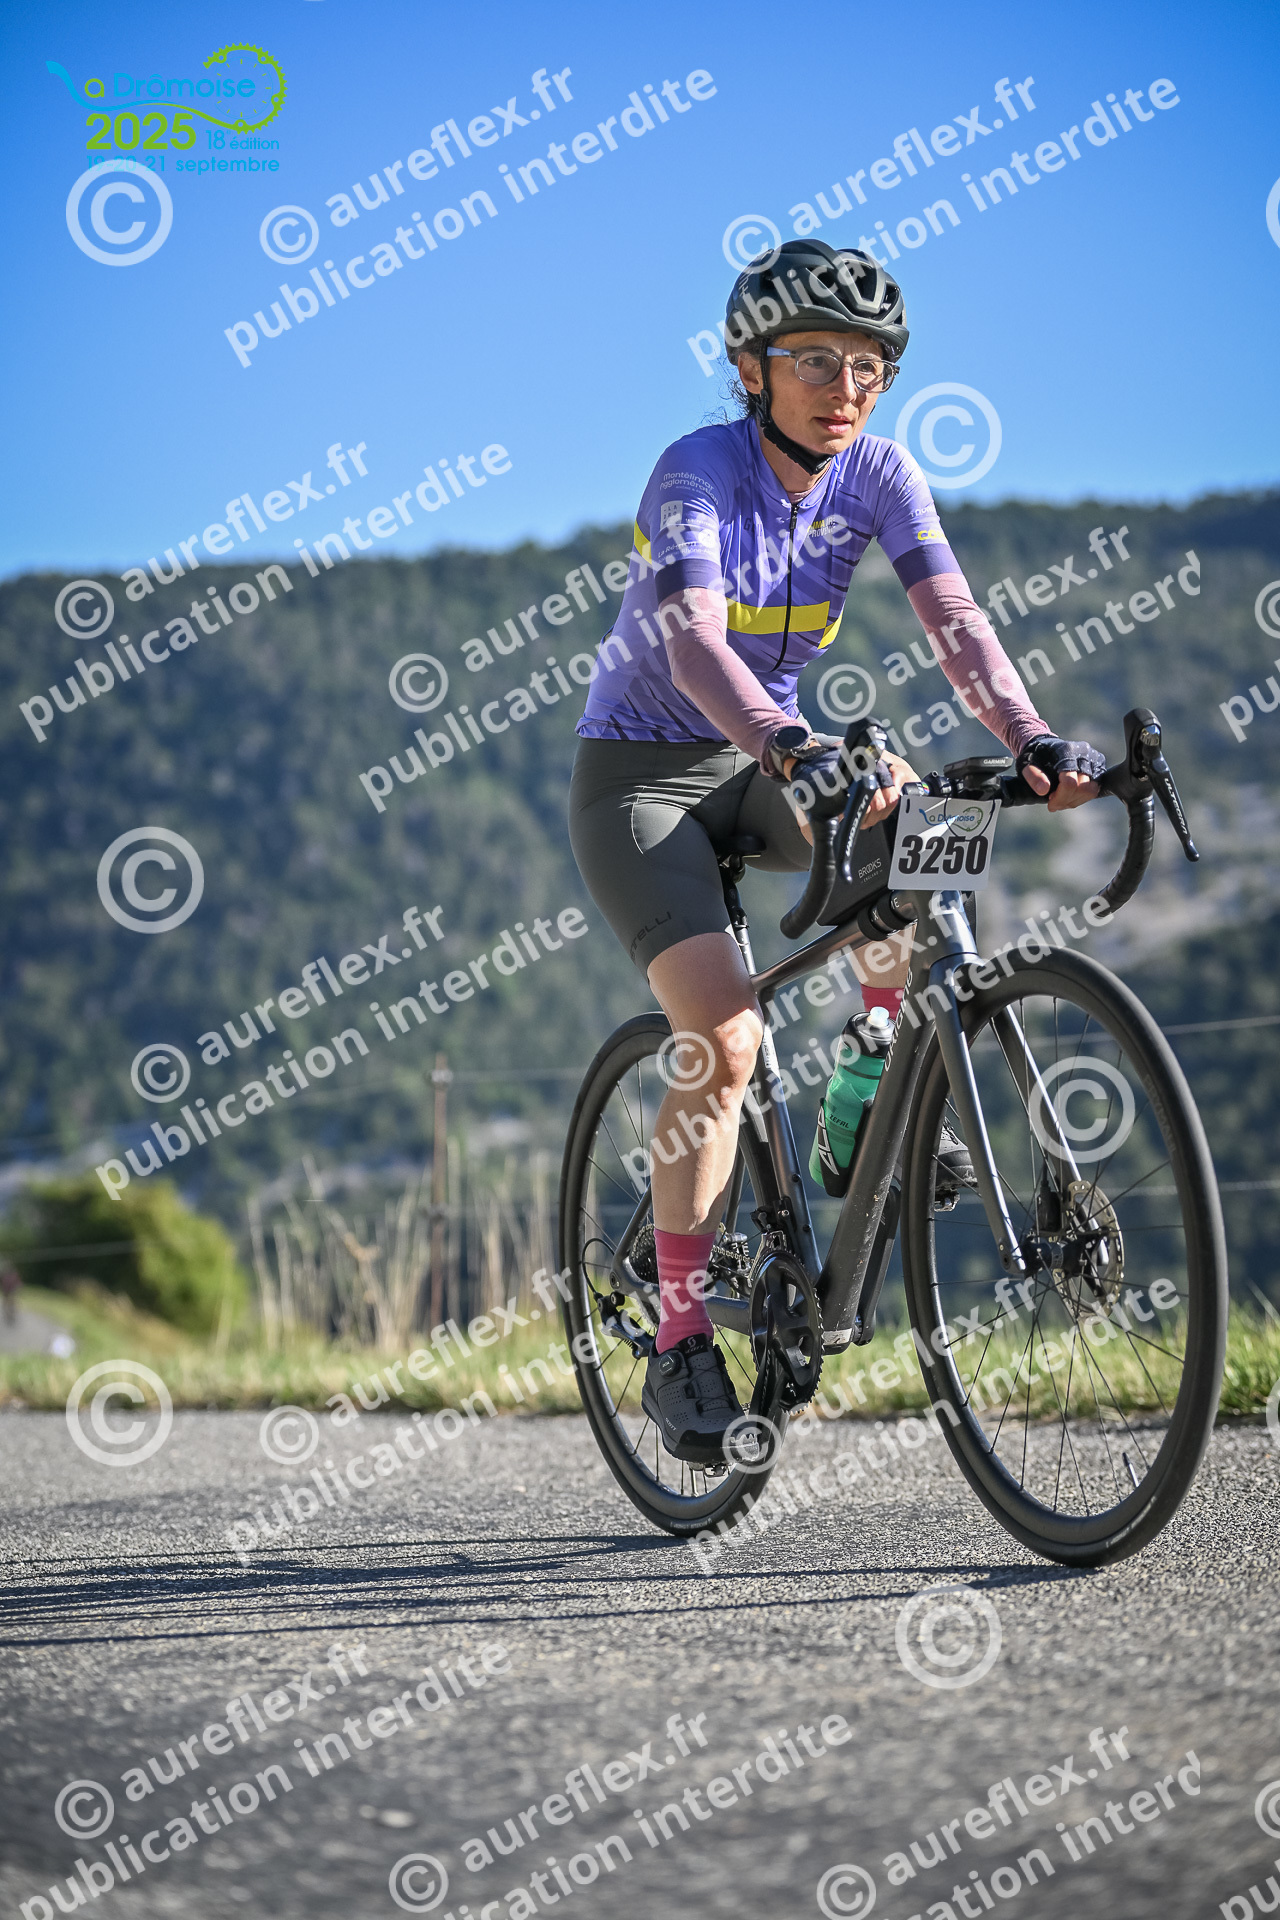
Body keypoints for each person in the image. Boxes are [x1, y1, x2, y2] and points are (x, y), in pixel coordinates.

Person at [568, 239, 1104, 1462]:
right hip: (642, 780)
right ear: (749, 366)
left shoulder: (878, 473)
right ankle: (680, 1332)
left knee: (908, 808)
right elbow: (693, 642)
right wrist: (779, 738)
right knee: (723, 1038)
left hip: (771, 756)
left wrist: (1028, 737)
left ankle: (865, 1074)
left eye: (869, 366)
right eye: (814, 359)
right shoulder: (693, 471)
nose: (844, 386)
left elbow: (952, 617)